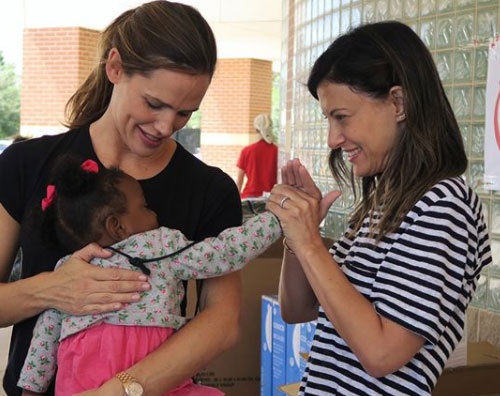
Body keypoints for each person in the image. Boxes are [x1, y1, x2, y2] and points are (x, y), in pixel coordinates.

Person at [0, 2, 244, 395]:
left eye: (185, 113)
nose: (167, 127)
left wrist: (120, 390)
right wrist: (53, 289)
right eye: (154, 104)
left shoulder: (210, 190)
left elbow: (223, 320)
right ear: (115, 67)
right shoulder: (25, 164)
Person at [266, 21, 491, 396]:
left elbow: (382, 354)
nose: (333, 139)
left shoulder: (443, 205)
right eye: (328, 120)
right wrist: (298, 236)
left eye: (341, 116)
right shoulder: (383, 203)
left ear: (398, 103)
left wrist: (310, 244)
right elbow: (297, 309)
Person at [18, 155, 281, 396]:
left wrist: (30, 389)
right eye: (145, 206)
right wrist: (276, 221)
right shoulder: (156, 246)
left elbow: (45, 335)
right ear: (117, 226)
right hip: (153, 375)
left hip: (80, 382)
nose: (154, 213)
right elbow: (224, 252)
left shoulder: (70, 268)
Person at [236, 114, 278, 198]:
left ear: (256, 129)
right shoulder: (277, 151)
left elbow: (239, 180)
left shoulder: (247, 151)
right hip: (271, 199)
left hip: (249, 198)